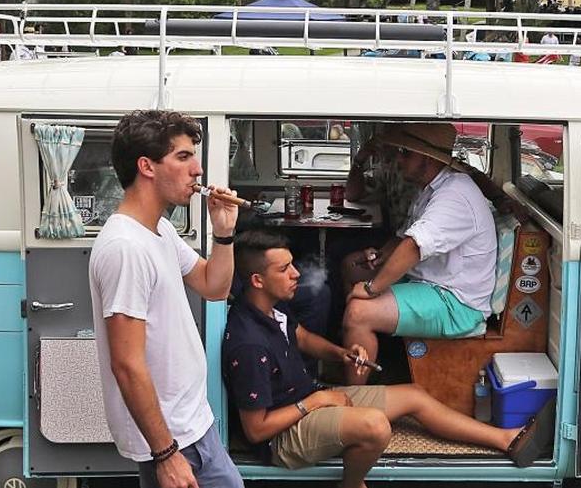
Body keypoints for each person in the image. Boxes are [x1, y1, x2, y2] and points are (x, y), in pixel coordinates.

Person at [223, 231, 550, 488]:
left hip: (307, 400)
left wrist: (343, 353)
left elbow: (303, 338)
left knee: (415, 395)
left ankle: (505, 439)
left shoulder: (271, 310)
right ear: (257, 280)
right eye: (284, 269)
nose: (296, 273)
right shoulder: (248, 344)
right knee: (375, 427)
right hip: (282, 437)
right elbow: (256, 430)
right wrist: (318, 401)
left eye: (293, 264)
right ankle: (351, 485)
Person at [88, 110, 244, 488]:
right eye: (184, 156)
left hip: (191, 424)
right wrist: (166, 454)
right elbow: (126, 364)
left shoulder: (158, 229)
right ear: (147, 166)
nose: (198, 171)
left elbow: (214, 286)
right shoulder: (126, 247)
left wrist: (224, 234)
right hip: (174, 438)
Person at [341, 123, 497, 385]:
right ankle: (358, 344)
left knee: (358, 311)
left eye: (405, 153)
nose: (398, 159)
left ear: (426, 158)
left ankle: (352, 398)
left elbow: (414, 246)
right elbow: (403, 236)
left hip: (456, 303)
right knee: (351, 267)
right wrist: (379, 256)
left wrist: (371, 288)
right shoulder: (433, 188)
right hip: (431, 283)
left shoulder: (455, 195)